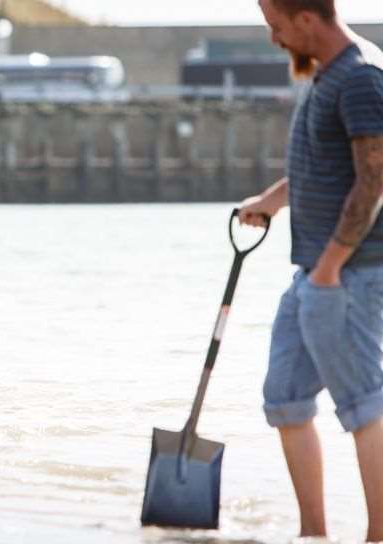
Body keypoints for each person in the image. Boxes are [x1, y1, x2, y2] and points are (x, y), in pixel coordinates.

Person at [239, 0, 383, 539]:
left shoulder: (364, 77)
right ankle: (313, 534)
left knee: (363, 405)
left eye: (276, 26)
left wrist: (329, 269)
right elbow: (321, 167)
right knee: (285, 399)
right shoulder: (327, 75)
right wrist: (271, 201)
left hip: (347, 275)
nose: (274, 38)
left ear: (306, 18)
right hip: (313, 276)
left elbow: (373, 182)